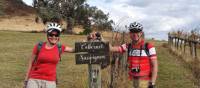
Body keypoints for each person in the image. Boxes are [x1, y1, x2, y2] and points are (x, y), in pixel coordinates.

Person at [91, 22, 158, 88]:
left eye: (137, 31)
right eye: (132, 31)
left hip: (144, 81)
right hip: (131, 81)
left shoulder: (148, 46)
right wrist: (101, 38)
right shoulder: (128, 46)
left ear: (141, 33)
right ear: (130, 34)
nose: (135, 34)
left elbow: (155, 65)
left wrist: (152, 83)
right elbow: (111, 48)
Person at [24, 22, 74, 88]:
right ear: (47, 35)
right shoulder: (39, 46)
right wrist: (26, 79)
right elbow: (31, 63)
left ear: (58, 36)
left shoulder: (60, 47)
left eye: (56, 35)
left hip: (50, 81)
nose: (54, 37)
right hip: (34, 79)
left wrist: (88, 41)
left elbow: (73, 50)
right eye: (51, 35)